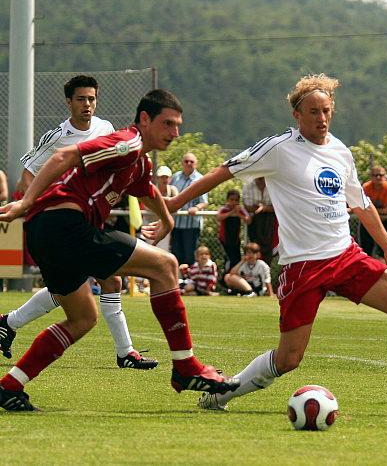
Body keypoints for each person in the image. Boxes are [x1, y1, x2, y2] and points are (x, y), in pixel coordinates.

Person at [165, 73, 387, 415]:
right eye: (313, 112)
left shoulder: (340, 151)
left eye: (326, 111)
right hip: (303, 267)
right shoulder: (278, 148)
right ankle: (221, 394)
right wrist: (173, 205)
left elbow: (361, 204)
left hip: (346, 256)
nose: (321, 118)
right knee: (289, 358)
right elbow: (221, 172)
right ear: (297, 115)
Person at [0, 89, 237, 411]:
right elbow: (63, 156)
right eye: (167, 124)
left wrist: (166, 219)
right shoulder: (128, 143)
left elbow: (147, 189)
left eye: (178, 126)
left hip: (46, 233)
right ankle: (186, 367)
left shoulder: (138, 162)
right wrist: (26, 202)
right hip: (65, 225)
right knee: (166, 265)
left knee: (83, 318)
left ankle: (9, 386)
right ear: (145, 119)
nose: (174, 133)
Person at [1, 74, 156, 371]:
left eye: (91, 99)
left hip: (89, 220)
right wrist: (39, 205)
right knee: (101, 283)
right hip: (64, 222)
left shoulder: (105, 129)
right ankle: (125, 352)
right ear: (69, 103)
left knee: (74, 287)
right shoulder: (57, 137)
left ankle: (9, 323)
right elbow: (28, 175)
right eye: (81, 99)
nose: (87, 104)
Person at [170, 152, 208, 266]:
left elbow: (204, 202)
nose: (189, 163)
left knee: (189, 256)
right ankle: (177, 277)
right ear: (182, 163)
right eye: (186, 161)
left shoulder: (200, 179)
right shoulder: (175, 177)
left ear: (196, 164)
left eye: (192, 161)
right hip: (176, 223)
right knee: (175, 254)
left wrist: (196, 208)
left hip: (191, 224)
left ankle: (189, 277)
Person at [360, 165, 387, 259]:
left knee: (385, 251)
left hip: (383, 222)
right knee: (366, 251)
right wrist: (376, 211)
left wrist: (370, 210)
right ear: (371, 177)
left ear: (385, 176)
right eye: (375, 175)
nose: (378, 177)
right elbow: (362, 207)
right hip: (367, 222)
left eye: (381, 175)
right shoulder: (366, 187)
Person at [242, 176, 277, 264]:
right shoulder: (248, 185)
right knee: (254, 247)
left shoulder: (274, 184)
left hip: (270, 221)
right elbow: (247, 206)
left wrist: (264, 208)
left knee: (268, 249)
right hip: (254, 221)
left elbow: (278, 205)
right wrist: (265, 207)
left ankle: (266, 267)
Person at [217, 189, 250, 271]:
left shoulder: (240, 209)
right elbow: (219, 217)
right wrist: (231, 212)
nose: (233, 202)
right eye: (231, 200)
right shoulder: (224, 209)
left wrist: (238, 214)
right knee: (229, 259)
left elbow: (248, 220)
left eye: (236, 200)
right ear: (227, 199)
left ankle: (234, 275)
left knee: (237, 259)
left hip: (235, 239)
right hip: (224, 239)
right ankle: (226, 275)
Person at [154, 165, 178, 252]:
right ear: (157, 178)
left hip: (169, 225)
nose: (164, 179)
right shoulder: (152, 189)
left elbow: (177, 206)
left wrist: (158, 203)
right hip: (152, 224)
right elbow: (147, 207)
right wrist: (168, 204)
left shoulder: (173, 190)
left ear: (170, 178)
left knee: (166, 250)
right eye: (162, 177)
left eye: (166, 177)